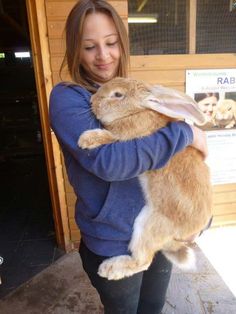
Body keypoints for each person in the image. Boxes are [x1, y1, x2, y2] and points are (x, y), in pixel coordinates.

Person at [49, 1, 208, 313]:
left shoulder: (132, 91)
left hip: (158, 231)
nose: (104, 55)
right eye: (89, 47)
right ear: (75, 49)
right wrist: (186, 134)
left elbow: (177, 164)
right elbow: (110, 162)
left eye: (111, 43)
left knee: (153, 306)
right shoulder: (69, 98)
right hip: (111, 241)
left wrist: (194, 217)